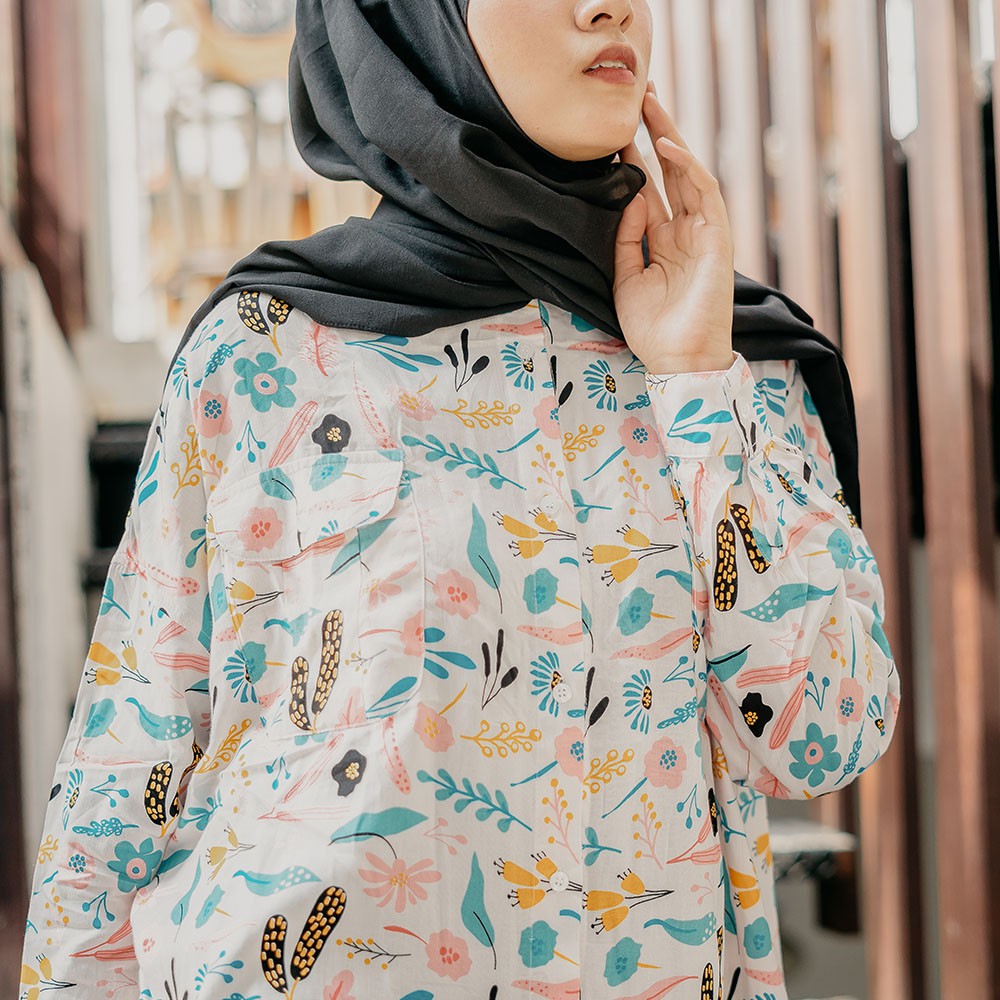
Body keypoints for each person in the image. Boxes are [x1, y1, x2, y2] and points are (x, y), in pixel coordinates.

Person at [19, 1, 901, 998]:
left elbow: (828, 737)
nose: (608, 5)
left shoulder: (731, 359)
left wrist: (697, 384)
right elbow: (122, 776)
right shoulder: (264, 353)